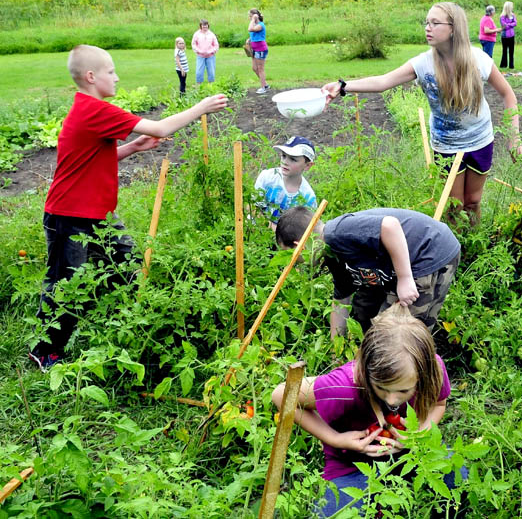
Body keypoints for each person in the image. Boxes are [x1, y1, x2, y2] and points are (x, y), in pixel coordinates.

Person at [30, 44, 228, 371]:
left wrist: (134, 146)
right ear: (92, 77)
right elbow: (161, 128)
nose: (117, 77)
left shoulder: (89, 110)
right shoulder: (93, 110)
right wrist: (201, 107)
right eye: (111, 72)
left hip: (98, 215)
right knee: (65, 284)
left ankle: (114, 321)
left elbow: (94, 160)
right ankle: (46, 349)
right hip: (69, 216)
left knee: (128, 264)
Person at [322, 2, 521, 226]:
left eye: (435, 23)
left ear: (453, 28)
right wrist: (343, 86)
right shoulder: (423, 64)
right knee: (453, 207)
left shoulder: (479, 60)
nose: (428, 27)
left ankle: (473, 246)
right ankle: (453, 252)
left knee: (473, 202)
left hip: (480, 141)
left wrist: (514, 137)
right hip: (446, 145)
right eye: (426, 22)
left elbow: (508, 95)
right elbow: (383, 82)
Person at [271, 304, 467, 518]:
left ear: (423, 374)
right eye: (382, 388)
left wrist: (418, 435)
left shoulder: (433, 370)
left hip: (411, 453)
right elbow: (281, 396)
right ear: (365, 370)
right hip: (353, 464)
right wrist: (337, 439)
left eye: (403, 390)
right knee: (335, 514)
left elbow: (439, 404)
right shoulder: (344, 387)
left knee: (457, 477)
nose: (392, 399)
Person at [275, 206, 461, 337]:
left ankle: (411, 379)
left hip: (428, 252)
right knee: (364, 310)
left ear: (300, 247)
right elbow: (341, 302)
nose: (298, 266)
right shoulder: (332, 254)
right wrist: (336, 349)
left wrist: (404, 278)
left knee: (395, 333)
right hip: (418, 258)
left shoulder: (336, 232)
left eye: (294, 259)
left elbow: (390, 226)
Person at [254, 135, 317, 228]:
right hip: (255, 229)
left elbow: (302, 229)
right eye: (283, 156)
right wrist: (271, 228)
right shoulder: (267, 177)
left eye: (293, 159)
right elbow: (252, 208)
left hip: (284, 240)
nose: (285, 162)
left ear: (307, 165)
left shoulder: (308, 197)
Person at [248, 8, 269, 94]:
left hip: (260, 48)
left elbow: (250, 29)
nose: (249, 18)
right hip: (254, 48)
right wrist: (249, 39)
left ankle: (263, 87)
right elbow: (254, 34)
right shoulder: (255, 25)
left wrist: (253, 19)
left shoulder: (260, 25)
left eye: (250, 16)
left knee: (260, 68)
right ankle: (265, 84)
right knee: (254, 68)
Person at [191, 19, 219, 84]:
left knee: (211, 71)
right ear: (200, 26)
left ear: (208, 26)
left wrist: (212, 51)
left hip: (210, 56)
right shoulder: (197, 34)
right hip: (200, 56)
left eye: (206, 25)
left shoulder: (211, 34)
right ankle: (199, 85)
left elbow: (216, 45)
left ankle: (211, 85)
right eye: (203, 25)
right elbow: (193, 44)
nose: (205, 27)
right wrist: (198, 51)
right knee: (199, 71)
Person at [499, 1, 517, 70]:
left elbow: (515, 23)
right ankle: (503, 65)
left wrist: (508, 24)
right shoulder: (502, 16)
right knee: (504, 51)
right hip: (504, 36)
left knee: (511, 51)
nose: (512, 8)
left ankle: (511, 65)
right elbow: (504, 26)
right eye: (511, 6)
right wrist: (510, 24)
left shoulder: (513, 15)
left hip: (512, 35)